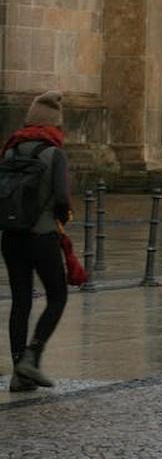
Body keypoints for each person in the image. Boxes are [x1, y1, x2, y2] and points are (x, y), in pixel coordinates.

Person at [0, 91, 72, 390]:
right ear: (54, 123)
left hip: (11, 236)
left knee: (20, 301)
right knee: (57, 296)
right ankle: (33, 354)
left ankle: (19, 372)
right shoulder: (54, 153)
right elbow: (62, 199)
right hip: (41, 237)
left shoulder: (10, 150)